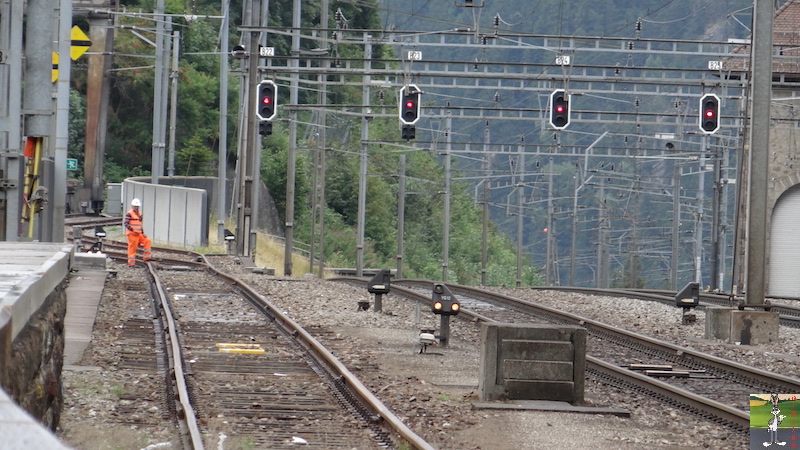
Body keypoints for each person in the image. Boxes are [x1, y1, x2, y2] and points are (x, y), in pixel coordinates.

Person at [124, 198, 152, 267]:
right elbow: (126, 223)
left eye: (137, 206)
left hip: (138, 234)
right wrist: (132, 230)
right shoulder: (129, 214)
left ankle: (147, 257)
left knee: (147, 241)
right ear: (132, 206)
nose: (136, 207)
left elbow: (140, 224)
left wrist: (142, 233)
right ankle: (131, 263)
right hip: (132, 234)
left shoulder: (140, 214)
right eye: (135, 206)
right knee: (132, 248)